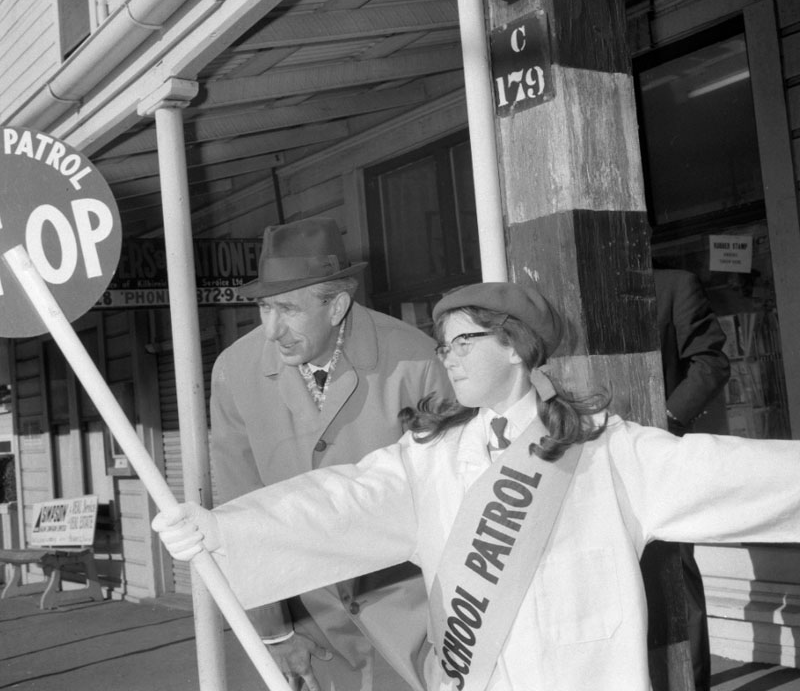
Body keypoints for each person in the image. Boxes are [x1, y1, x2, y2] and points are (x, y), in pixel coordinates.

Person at [155, 280, 800, 691]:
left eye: (464, 341)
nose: (448, 357)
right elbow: (337, 500)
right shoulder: (430, 458)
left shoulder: (607, 451)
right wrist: (221, 530)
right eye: (443, 345)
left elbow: (732, 472)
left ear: (515, 348)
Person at [209, 217, 452, 691]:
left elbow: (458, 497)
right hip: (310, 628)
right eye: (263, 308)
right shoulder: (233, 370)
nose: (272, 329)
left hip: (419, 620)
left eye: (288, 309)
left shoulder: (419, 360)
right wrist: (272, 631)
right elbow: (238, 506)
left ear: (338, 305)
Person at [641, 268, 731, 691]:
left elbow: (711, 362)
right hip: (587, 456)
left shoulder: (674, 285)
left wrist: (668, 419)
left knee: (674, 577)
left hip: (660, 455)